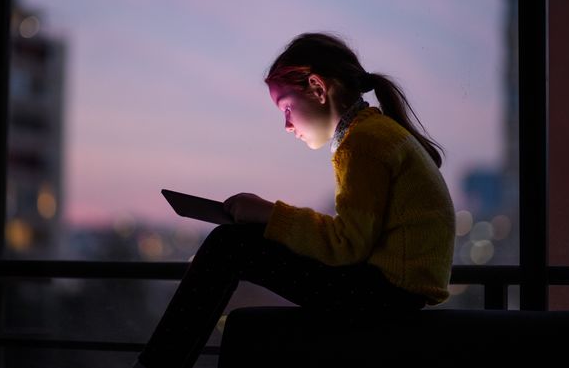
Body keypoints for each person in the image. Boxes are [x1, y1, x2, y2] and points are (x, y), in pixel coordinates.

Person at [133, 32, 455, 368]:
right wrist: (266, 217)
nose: (286, 125)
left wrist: (269, 214)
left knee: (230, 246)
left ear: (317, 88)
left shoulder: (364, 142)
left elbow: (347, 244)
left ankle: (157, 365)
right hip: (393, 292)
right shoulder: (375, 134)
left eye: (286, 107)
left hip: (382, 296)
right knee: (234, 243)